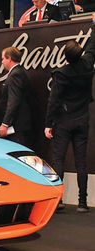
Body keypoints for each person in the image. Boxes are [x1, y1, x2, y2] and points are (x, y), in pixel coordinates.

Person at [45, 15, 95, 213]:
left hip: (64, 121)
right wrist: (93, 24)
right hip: (82, 118)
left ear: (65, 56)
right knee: (81, 161)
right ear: (81, 54)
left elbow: (54, 101)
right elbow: (93, 46)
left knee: (59, 159)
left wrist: (48, 124)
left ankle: (58, 201)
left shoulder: (62, 74)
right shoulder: (88, 66)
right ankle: (83, 202)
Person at [0, 47, 33, 147]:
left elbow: (14, 100)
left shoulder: (15, 74)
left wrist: (5, 124)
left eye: (3, 58)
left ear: (9, 58)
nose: (2, 62)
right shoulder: (19, 72)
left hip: (16, 126)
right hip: (18, 125)